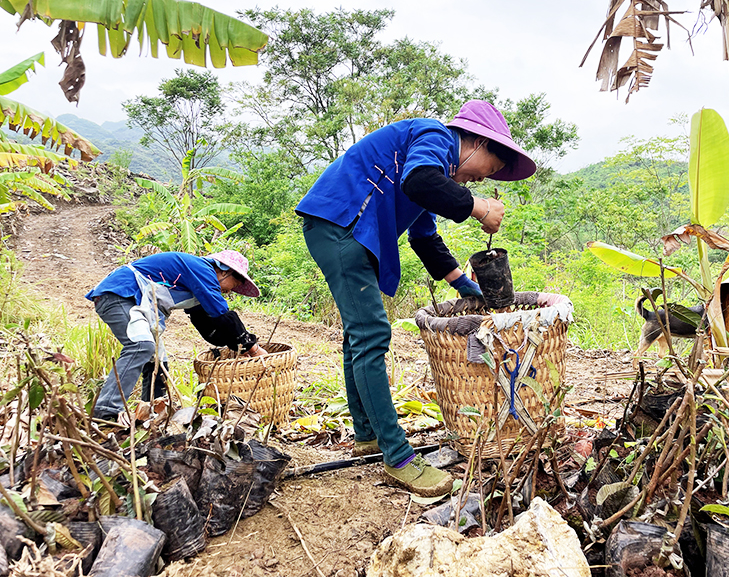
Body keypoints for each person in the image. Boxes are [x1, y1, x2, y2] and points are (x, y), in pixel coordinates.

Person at [295, 100, 537, 497]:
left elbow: (424, 237)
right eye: (489, 169)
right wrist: (478, 209)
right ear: (476, 141)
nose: (479, 180)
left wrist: (465, 286)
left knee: (357, 336)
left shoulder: (431, 166)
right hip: (342, 225)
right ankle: (398, 457)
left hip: (339, 229)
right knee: (371, 335)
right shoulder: (434, 135)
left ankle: (367, 434)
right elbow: (420, 182)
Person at [87, 250, 266, 421]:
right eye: (233, 286)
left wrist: (236, 344)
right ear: (224, 271)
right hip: (121, 295)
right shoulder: (202, 269)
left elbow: (211, 325)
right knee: (141, 346)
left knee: (158, 362)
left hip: (133, 302)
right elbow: (222, 313)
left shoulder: (196, 281)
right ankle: (106, 411)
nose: (229, 292)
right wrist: (253, 347)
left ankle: (154, 412)